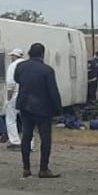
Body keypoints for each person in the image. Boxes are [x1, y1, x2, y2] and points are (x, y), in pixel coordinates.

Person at [14, 42, 62, 178]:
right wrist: (58, 110)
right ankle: (43, 168)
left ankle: (26, 168)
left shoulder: (20, 66)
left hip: (25, 106)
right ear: (42, 54)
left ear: (29, 53)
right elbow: (53, 91)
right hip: (42, 108)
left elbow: (16, 79)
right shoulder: (47, 70)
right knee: (45, 139)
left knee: (26, 137)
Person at [4, 48, 27, 151]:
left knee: (10, 119)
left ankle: (15, 141)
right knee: (26, 120)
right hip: (26, 94)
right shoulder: (27, 65)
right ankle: (29, 142)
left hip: (15, 94)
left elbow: (11, 84)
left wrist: (8, 98)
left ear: (15, 56)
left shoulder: (13, 66)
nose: (11, 58)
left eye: (12, 56)